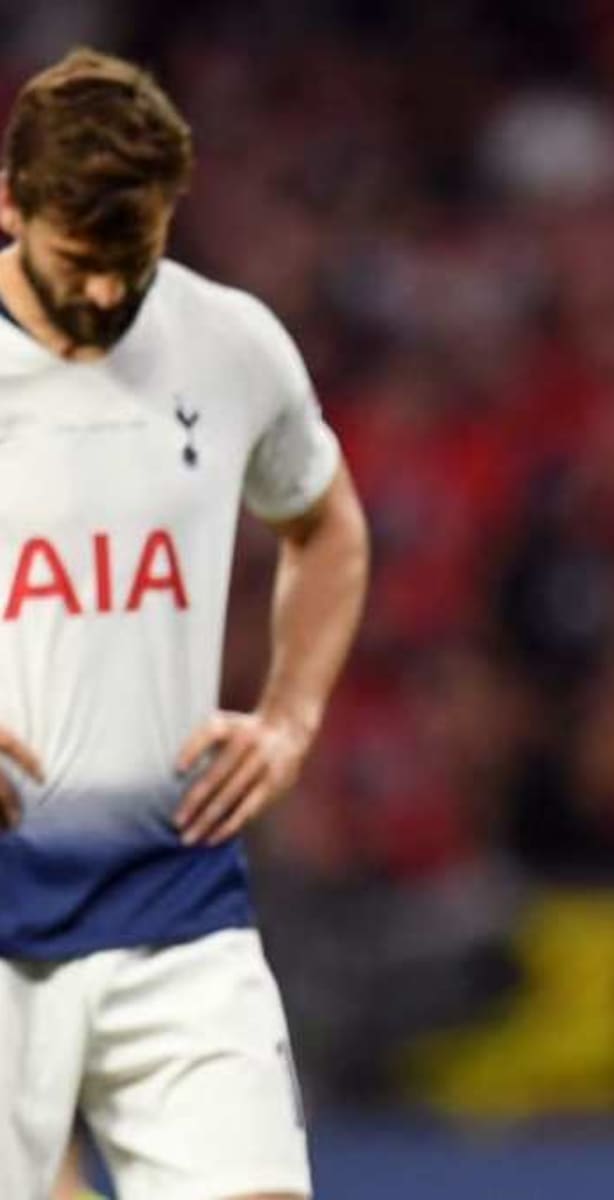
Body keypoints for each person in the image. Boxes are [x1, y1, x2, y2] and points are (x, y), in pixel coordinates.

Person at [0, 48, 369, 1200]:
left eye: (133, 257)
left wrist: (291, 718)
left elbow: (327, 528)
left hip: (178, 904)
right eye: (78, 261)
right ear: (9, 205)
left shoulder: (232, 342)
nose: (107, 292)